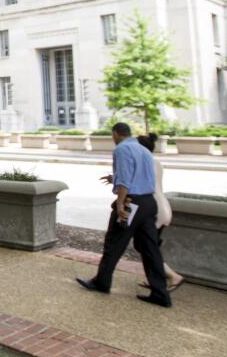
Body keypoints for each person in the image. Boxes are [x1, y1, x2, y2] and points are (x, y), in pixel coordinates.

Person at [76, 122, 172, 308]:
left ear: (115, 134)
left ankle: (102, 282)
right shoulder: (143, 149)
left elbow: (127, 180)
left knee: (114, 243)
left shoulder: (122, 149)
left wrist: (120, 203)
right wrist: (115, 178)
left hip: (131, 203)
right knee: (150, 249)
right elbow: (142, 175)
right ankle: (161, 293)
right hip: (148, 202)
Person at [135, 133, 184, 291]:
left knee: (147, 246)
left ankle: (172, 276)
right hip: (163, 207)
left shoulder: (143, 162)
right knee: (147, 245)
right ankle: (156, 279)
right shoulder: (156, 162)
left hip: (152, 210)